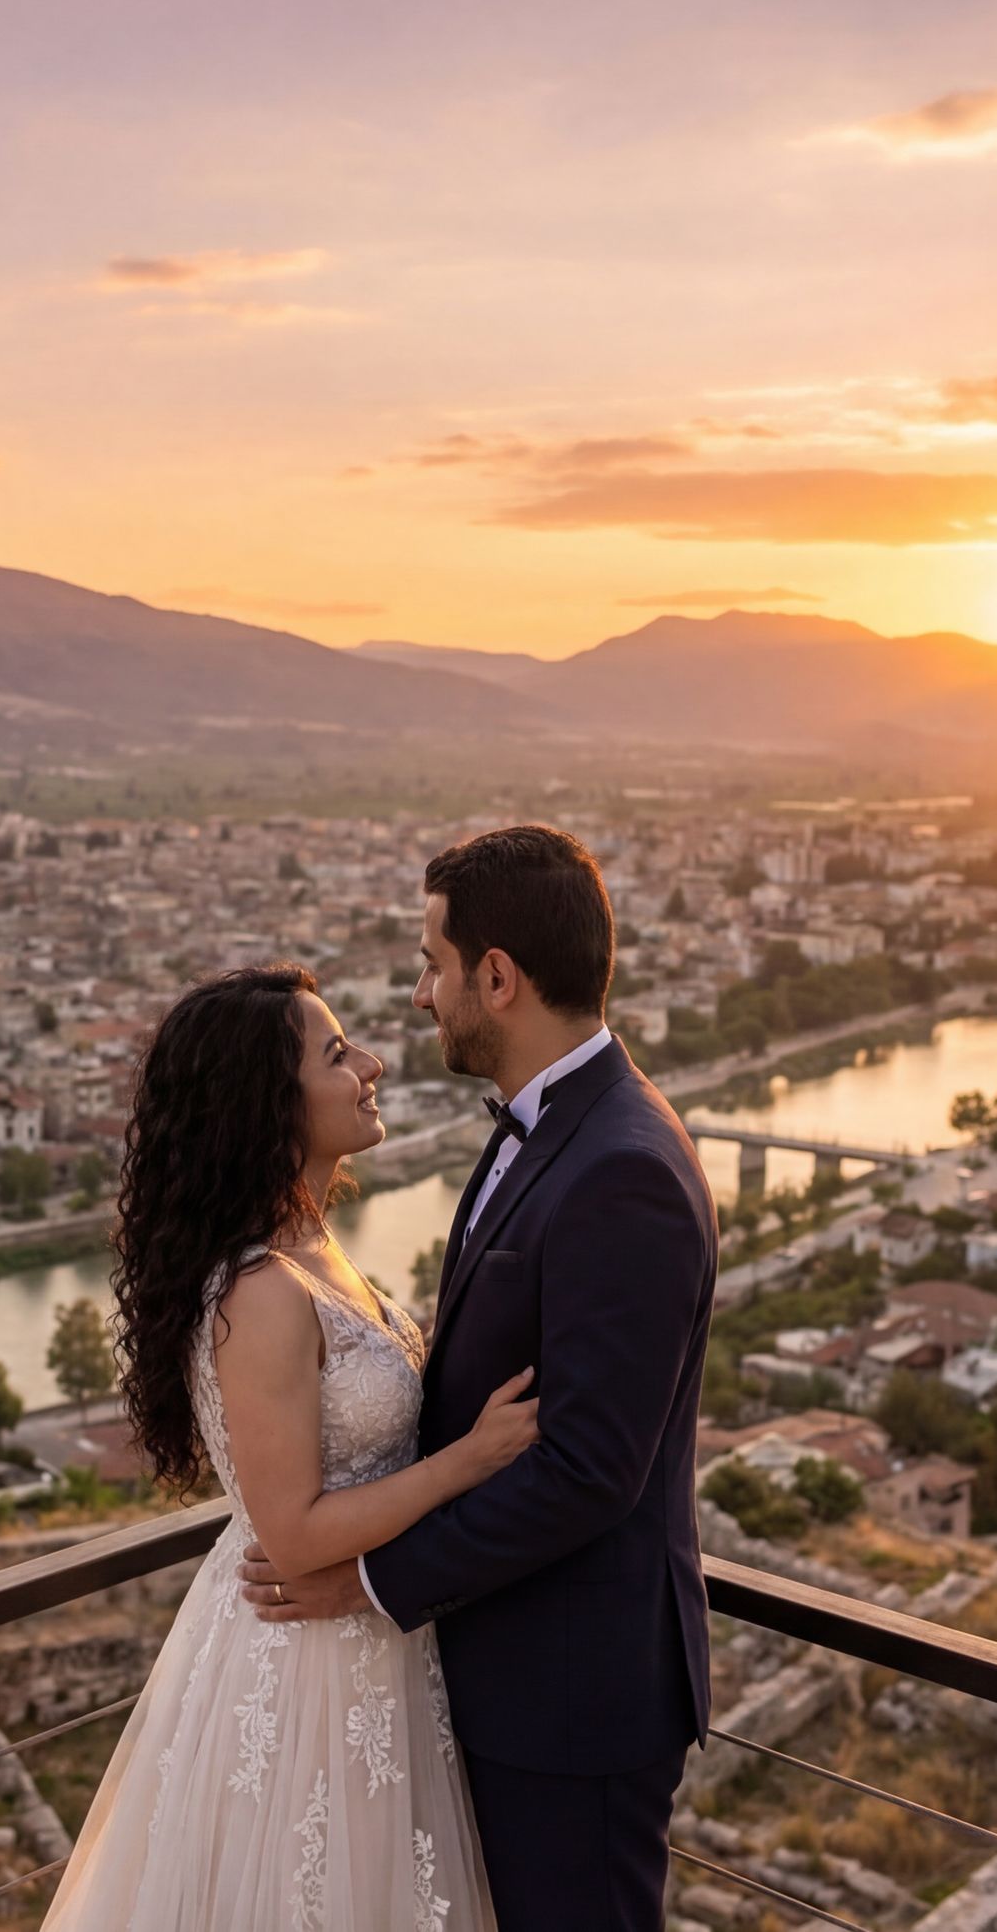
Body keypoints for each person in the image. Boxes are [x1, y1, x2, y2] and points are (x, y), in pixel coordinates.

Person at [241, 825, 719, 1932]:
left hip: (571, 1704)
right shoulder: (562, 1131)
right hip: (507, 1679)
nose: (418, 996)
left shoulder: (622, 1168)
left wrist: (365, 1586)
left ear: (495, 977)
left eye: (430, 963)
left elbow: (590, 1470)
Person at [42, 962, 531, 1929]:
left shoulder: (312, 1245)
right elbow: (296, 1533)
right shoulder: (261, 1289)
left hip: (369, 1642)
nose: (373, 1064)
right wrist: (469, 1460)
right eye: (338, 1052)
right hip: (304, 1656)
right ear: (268, 1102)